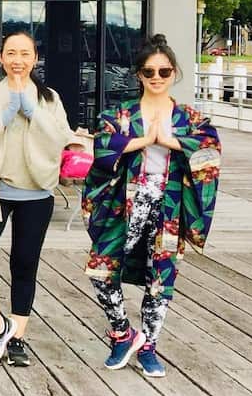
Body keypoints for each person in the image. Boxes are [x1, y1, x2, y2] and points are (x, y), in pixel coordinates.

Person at [83, 34, 221, 378]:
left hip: (169, 202)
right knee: (101, 270)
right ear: (138, 75)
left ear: (174, 72)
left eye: (163, 71)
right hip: (124, 202)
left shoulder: (189, 117)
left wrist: (171, 141)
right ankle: (121, 333)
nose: (156, 77)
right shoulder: (120, 114)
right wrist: (144, 141)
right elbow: (101, 147)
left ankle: (148, 346)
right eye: (148, 72)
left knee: (160, 277)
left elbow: (209, 151)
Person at [0, 31, 76, 366]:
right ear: (1, 58)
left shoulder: (49, 98)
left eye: (25, 53)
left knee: (24, 264)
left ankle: (18, 338)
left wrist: (32, 112)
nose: (18, 60)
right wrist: (5, 116)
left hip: (37, 192)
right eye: (11, 53)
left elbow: (60, 138)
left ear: (35, 57)